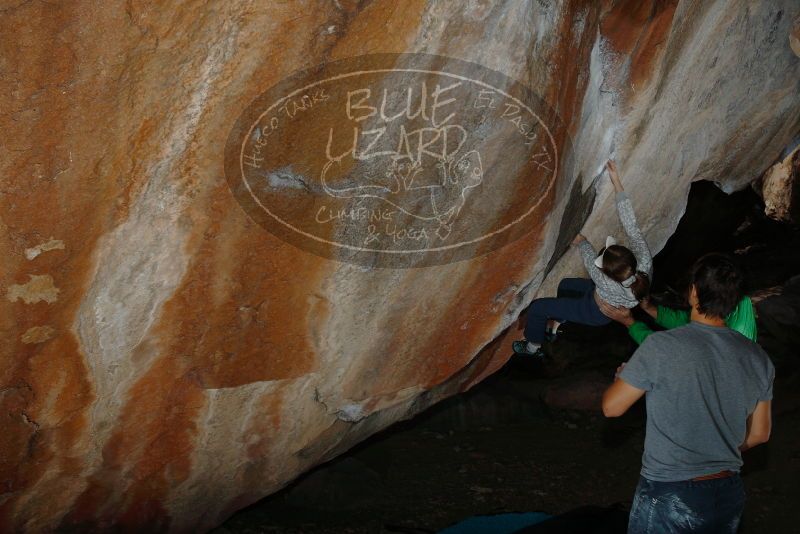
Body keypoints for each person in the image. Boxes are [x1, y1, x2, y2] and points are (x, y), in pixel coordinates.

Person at [602, 253, 775, 533]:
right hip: (728, 492)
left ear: (693, 292)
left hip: (671, 491)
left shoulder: (661, 346)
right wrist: (717, 449)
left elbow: (612, 407)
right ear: (734, 301)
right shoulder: (758, 357)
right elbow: (759, 435)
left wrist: (623, 379)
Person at [513, 160, 652, 357]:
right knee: (566, 285)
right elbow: (632, 226)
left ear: (606, 272)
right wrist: (616, 182)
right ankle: (557, 323)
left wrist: (582, 241)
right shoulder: (644, 262)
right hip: (601, 296)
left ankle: (533, 347)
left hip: (593, 311)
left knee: (537, 308)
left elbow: (588, 255)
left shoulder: (602, 278)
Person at [598, 294, 758, 344]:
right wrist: (650, 308)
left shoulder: (704, 351)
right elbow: (686, 321)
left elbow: (661, 348)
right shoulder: (739, 304)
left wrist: (629, 323)